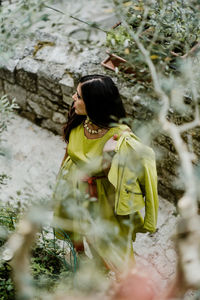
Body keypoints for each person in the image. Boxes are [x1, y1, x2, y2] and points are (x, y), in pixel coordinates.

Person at [53, 74, 158, 273]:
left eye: (79, 96)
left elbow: (123, 181)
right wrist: (60, 184)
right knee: (78, 232)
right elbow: (68, 152)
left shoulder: (120, 137)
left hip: (101, 199)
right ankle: (94, 271)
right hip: (73, 189)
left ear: (95, 103)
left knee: (110, 247)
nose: (73, 98)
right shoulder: (80, 118)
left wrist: (109, 157)